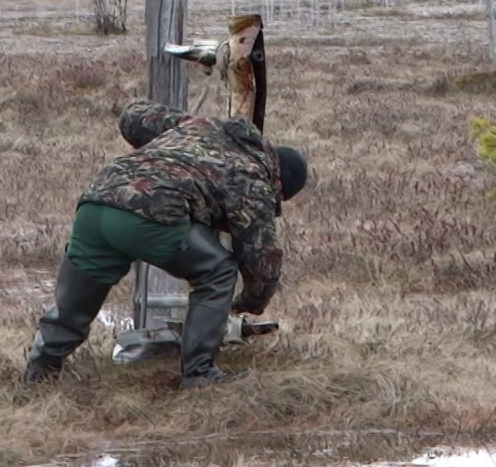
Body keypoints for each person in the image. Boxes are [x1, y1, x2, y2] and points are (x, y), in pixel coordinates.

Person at [23, 99, 308, 390]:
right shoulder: (255, 178)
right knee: (218, 271)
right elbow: (262, 259)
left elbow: (133, 116)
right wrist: (250, 302)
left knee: (76, 304)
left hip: (98, 200)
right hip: (152, 212)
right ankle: (198, 374)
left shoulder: (200, 126)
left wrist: (176, 135)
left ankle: (40, 372)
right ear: (280, 184)